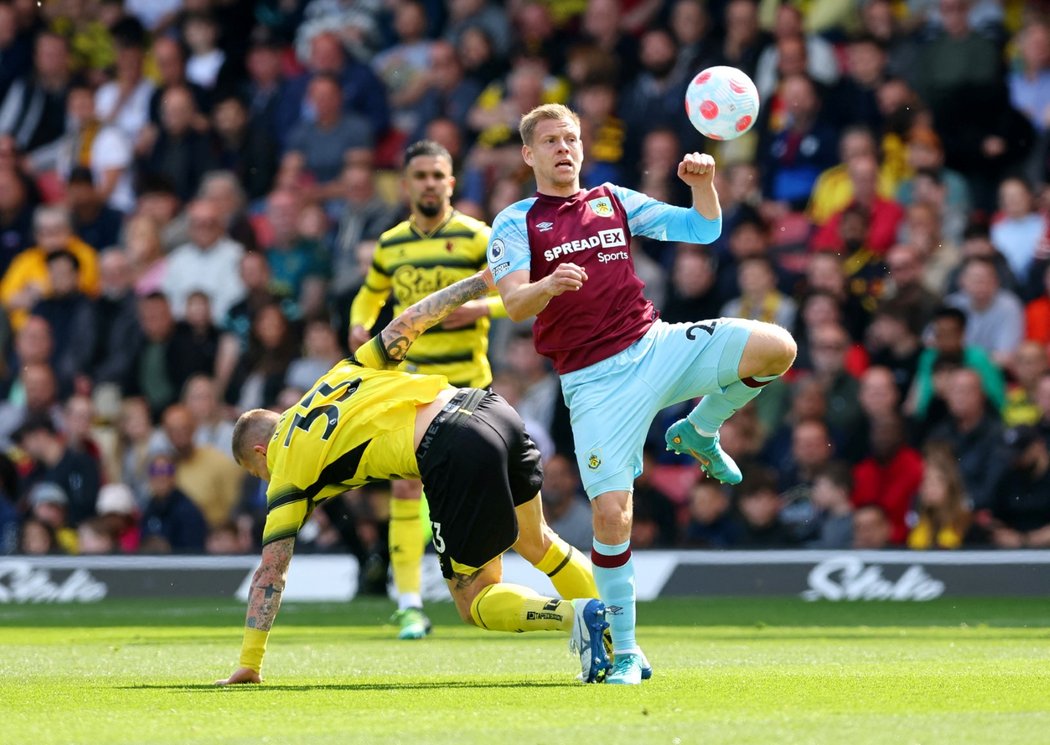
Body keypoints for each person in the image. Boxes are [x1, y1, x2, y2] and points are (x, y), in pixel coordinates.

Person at [487, 104, 796, 684]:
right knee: (612, 514)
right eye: (551, 141)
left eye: (572, 138)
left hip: (655, 345)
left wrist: (705, 189)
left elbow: (703, 229)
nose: (564, 148)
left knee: (777, 347)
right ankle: (626, 651)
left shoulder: (612, 199)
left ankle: (699, 429)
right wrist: (548, 284)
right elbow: (513, 303)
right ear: (529, 154)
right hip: (594, 382)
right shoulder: (516, 221)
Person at [217, 270, 611, 686]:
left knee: (473, 599)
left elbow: (270, 573)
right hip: (488, 406)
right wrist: (479, 282)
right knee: (538, 541)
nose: (265, 480)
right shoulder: (338, 375)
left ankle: (574, 616)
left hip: (451, 445)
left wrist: (250, 661)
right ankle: (621, 641)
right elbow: (410, 321)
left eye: (257, 472)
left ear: (260, 452)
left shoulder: (286, 472)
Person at [348, 140, 505, 640]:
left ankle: (486, 587)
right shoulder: (391, 244)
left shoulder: (479, 237)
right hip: (413, 385)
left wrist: (481, 309)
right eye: (421, 176)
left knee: (479, 490)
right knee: (404, 484)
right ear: (406, 184)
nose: (430, 184)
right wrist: (359, 324)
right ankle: (410, 603)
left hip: (470, 386)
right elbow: (369, 293)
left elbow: (522, 293)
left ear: (451, 183)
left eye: (439, 175)